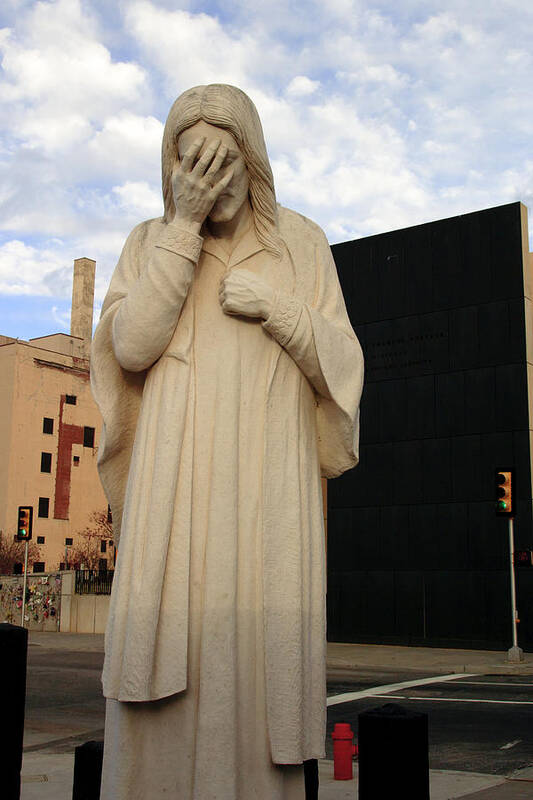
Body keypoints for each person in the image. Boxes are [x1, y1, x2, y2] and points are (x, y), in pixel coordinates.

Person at [91, 83, 364, 800]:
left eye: (224, 160)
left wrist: (276, 309)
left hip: (268, 478)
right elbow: (133, 344)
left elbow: (342, 361)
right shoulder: (150, 241)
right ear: (173, 170)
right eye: (193, 164)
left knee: (256, 654)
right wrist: (180, 231)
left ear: (254, 160)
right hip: (177, 475)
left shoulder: (300, 244)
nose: (211, 179)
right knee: (170, 651)